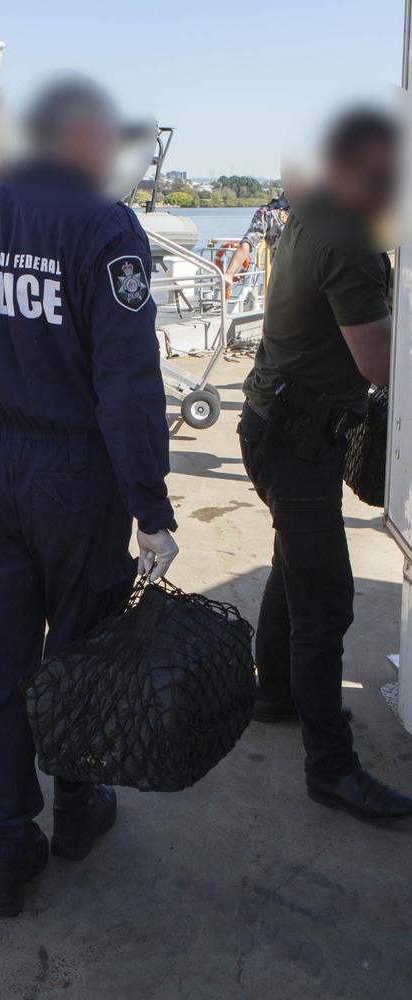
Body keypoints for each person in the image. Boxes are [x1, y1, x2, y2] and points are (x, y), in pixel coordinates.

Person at [0, 77, 179, 916]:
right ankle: (80, 806)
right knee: (82, 654)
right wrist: (152, 505)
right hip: (73, 478)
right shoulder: (105, 229)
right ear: (83, 141)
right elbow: (127, 382)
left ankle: (5, 847)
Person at [238, 108, 412, 820]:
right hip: (298, 440)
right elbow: (380, 363)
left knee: (294, 561)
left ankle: (274, 694)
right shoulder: (347, 233)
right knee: (327, 600)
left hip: (276, 425)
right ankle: (330, 768)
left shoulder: (317, 206)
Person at [224, 191, 290, 288]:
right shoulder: (268, 213)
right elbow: (247, 243)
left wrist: (229, 274)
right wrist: (229, 274)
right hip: (287, 280)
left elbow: (247, 243)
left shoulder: (314, 208)